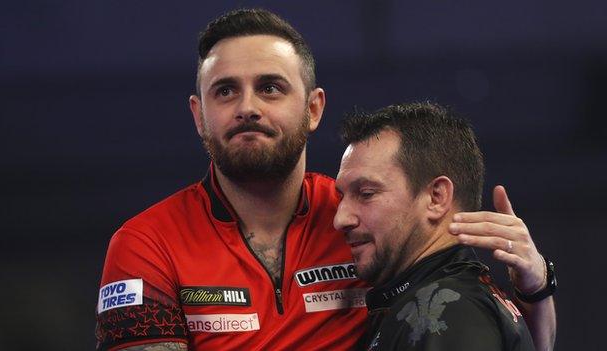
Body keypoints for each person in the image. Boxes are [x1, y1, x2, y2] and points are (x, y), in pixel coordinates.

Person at [95, 9, 555, 351]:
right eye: (225, 90)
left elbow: (485, 333)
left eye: (270, 87)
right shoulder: (145, 244)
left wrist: (537, 288)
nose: (248, 107)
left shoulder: (366, 218)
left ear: (313, 108)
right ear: (199, 116)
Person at [334, 102, 556, 350]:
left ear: (436, 197)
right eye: (341, 196)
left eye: (365, 193)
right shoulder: (443, 301)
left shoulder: (446, 311)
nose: (340, 219)